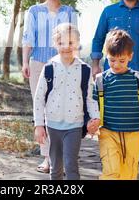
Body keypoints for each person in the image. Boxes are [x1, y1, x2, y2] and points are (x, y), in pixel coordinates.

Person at [22, 0, 78, 173]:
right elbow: (28, 38)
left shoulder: (70, 12)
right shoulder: (34, 11)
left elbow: (74, 40)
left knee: (61, 107)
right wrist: (24, 63)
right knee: (42, 107)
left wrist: (75, 64)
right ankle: (47, 158)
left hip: (63, 64)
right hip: (38, 62)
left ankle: (59, 158)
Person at [33, 23, 100, 180]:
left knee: (71, 165)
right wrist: (39, 124)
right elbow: (39, 98)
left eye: (70, 42)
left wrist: (95, 118)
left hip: (74, 125)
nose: (66, 47)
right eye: (61, 43)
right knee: (55, 168)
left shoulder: (84, 69)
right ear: (56, 44)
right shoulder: (49, 68)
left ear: (77, 43)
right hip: (53, 125)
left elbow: (89, 98)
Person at [89, 29, 139, 180]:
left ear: (130, 57)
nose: (117, 65)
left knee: (128, 175)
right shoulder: (101, 80)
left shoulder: (137, 79)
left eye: (122, 60)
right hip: (108, 133)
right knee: (111, 172)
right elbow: (93, 105)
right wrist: (92, 121)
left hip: (132, 135)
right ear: (107, 56)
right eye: (112, 60)